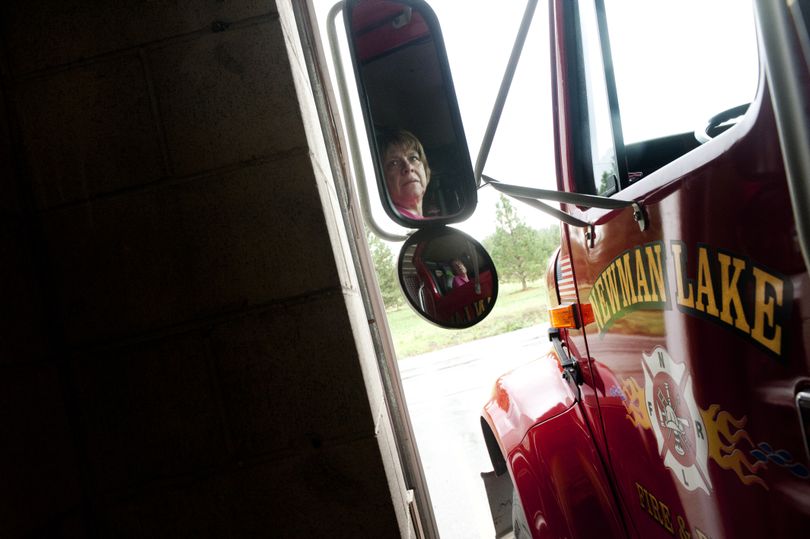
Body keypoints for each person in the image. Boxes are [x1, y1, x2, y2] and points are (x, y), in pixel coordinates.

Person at [379, 129, 431, 219]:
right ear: (382, 179)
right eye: (394, 163)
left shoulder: (425, 223)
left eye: (413, 158)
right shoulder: (390, 222)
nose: (408, 167)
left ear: (425, 169)